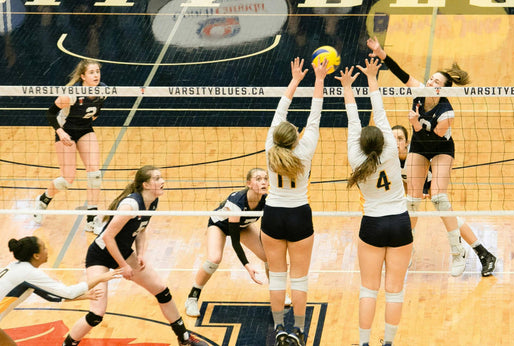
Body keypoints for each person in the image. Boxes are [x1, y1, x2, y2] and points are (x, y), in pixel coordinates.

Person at [62, 165, 207, 346]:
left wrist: (141, 254)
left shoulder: (152, 201)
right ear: (145, 185)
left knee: (162, 291)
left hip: (122, 251)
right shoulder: (130, 205)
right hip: (99, 256)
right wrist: (123, 266)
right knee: (97, 313)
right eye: (157, 178)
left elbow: (141, 229)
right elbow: (107, 236)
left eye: (161, 178)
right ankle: (68, 344)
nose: (162, 181)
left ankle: (184, 338)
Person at [367, 36, 470, 277]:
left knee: (439, 197)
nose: (429, 80)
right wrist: (381, 53)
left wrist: (416, 125)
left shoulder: (446, 112)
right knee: (411, 200)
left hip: (441, 149)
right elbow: (399, 72)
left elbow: (435, 137)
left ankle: (457, 251)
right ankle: (405, 248)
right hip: (420, 147)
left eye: (435, 80)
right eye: (430, 77)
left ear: (441, 88)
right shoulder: (419, 91)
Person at [338, 58, 412, 346]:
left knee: (368, 289)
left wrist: (347, 86)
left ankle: (364, 343)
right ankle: (389, 343)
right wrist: (372, 77)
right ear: (383, 141)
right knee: (395, 291)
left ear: (361, 144)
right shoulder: (393, 150)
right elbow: (379, 110)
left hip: (372, 224)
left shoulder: (356, 159)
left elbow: (353, 117)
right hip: (400, 223)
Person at [261, 56, 328, 346]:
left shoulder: (268, 148)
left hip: (273, 216)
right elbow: (316, 114)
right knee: (299, 279)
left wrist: (294, 80)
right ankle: (299, 330)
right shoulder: (304, 151)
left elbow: (280, 109)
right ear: (296, 138)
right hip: (300, 215)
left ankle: (279, 329)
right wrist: (319, 78)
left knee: (277, 278)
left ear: (277, 138)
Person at [392, 125, 497, 276]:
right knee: (406, 212)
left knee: (452, 220)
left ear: (407, 143)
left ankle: (485, 254)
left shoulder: (415, 154)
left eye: (400, 139)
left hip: (433, 186)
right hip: (416, 191)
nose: (396, 142)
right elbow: (405, 180)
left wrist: (427, 191)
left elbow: (437, 172)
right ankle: (406, 249)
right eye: (393, 138)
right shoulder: (390, 160)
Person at [0, 236, 122, 345]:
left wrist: (84, 296)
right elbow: (68, 292)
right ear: (36, 255)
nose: (47, 250)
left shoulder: (16, 268)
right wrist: (100, 278)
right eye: (44, 248)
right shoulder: (28, 273)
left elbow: (50, 296)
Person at [185, 168, 271, 317]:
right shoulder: (237, 202)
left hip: (243, 226)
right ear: (249, 183)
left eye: (265, 178)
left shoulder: (267, 200)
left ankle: (277, 292)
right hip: (220, 226)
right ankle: (192, 298)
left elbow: (267, 229)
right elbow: (235, 241)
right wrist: (247, 265)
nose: (263, 182)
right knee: (214, 259)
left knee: (270, 257)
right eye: (258, 179)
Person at [33, 59, 106, 234]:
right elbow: (50, 113)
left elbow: (96, 112)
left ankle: (91, 219)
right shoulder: (71, 94)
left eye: (97, 71)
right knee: (67, 180)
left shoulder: (103, 90)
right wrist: (60, 132)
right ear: (83, 76)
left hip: (85, 130)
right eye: (91, 72)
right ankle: (43, 199)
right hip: (65, 131)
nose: (96, 75)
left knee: (94, 172)